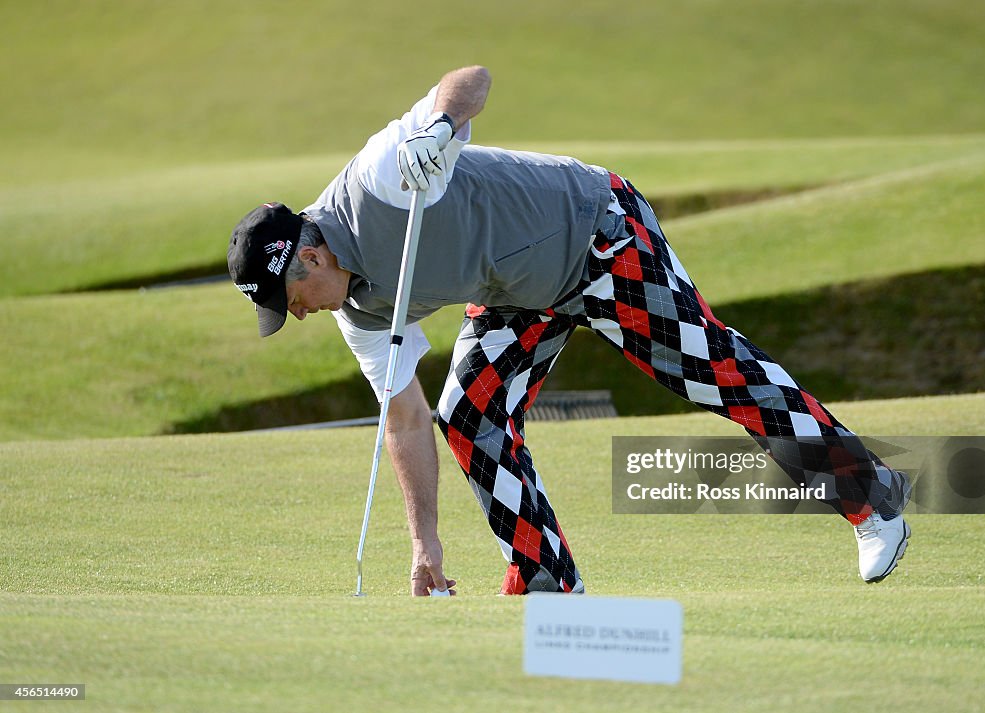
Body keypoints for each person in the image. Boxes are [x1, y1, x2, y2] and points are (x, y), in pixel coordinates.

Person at [227, 66, 911, 596]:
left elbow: (471, 80)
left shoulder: (381, 176)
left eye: (289, 298)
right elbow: (405, 421)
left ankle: (872, 497)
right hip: (520, 294)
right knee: (467, 412)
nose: (296, 314)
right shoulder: (359, 311)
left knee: (709, 369)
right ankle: (546, 581)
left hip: (597, 234)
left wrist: (439, 126)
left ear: (309, 256)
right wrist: (425, 545)